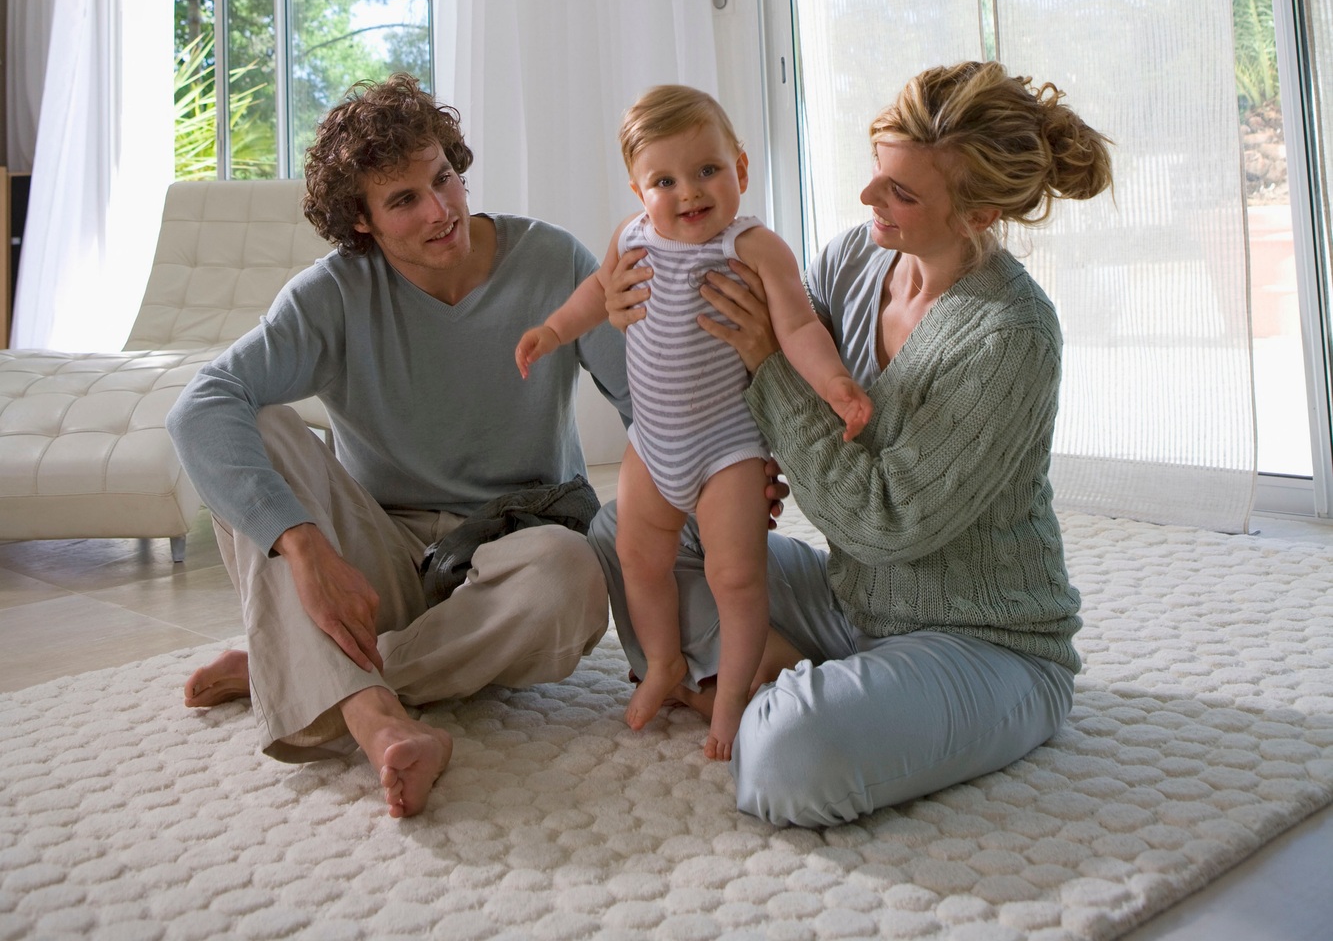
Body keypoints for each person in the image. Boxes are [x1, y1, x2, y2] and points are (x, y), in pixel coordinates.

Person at [589, 60, 1113, 828]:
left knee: (785, 763)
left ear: (976, 214)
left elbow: (884, 521)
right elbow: (752, 384)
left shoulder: (1010, 335)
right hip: (851, 603)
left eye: (900, 192)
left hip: (981, 639)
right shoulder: (855, 258)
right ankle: (799, 681)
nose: (869, 197)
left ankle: (785, 696)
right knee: (625, 530)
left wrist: (768, 373)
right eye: (877, 172)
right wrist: (632, 305)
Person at [167, 74, 630, 818]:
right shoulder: (331, 294)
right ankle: (380, 723)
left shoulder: (552, 261)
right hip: (378, 554)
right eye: (403, 200)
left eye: (442, 178)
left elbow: (642, 404)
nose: (439, 210)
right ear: (363, 225)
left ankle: (292, 665)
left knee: (574, 575)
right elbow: (200, 406)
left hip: (517, 542)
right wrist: (307, 552)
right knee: (247, 423)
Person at [515, 85, 873, 760]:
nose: (689, 192)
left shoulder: (756, 247)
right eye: (665, 180)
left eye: (707, 171)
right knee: (636, 559)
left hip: (726, 452)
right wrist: (552, 331)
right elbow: (598, 291)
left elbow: (795, 326)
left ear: (739, 170)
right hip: (650, 445)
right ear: (637, 189)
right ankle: (663, 664)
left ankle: (731, 695)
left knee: (735, 578)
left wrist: (835, 385)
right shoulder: (632, 235)